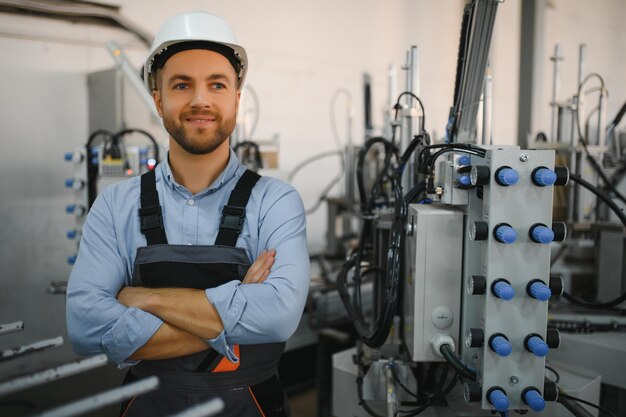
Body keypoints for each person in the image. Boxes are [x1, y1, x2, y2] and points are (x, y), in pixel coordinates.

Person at [66, 11, 309, 417]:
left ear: (236, 98)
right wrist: (238, 311)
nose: (201, 100)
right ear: (158, 99)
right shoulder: (115, 205)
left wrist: (142, 298)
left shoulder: (276, 202)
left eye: (217, 84)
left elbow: (279, 317)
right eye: (182, 85)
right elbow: (85, 327)